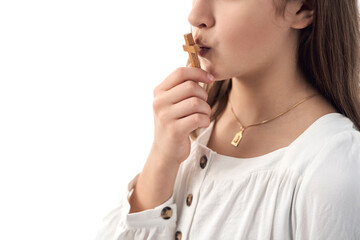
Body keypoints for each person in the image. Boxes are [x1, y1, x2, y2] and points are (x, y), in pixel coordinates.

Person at [96, 0, 360, 239]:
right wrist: (161, 158)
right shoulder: (188, 128)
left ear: (303, 8)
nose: (195, 15)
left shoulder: (333, 169)